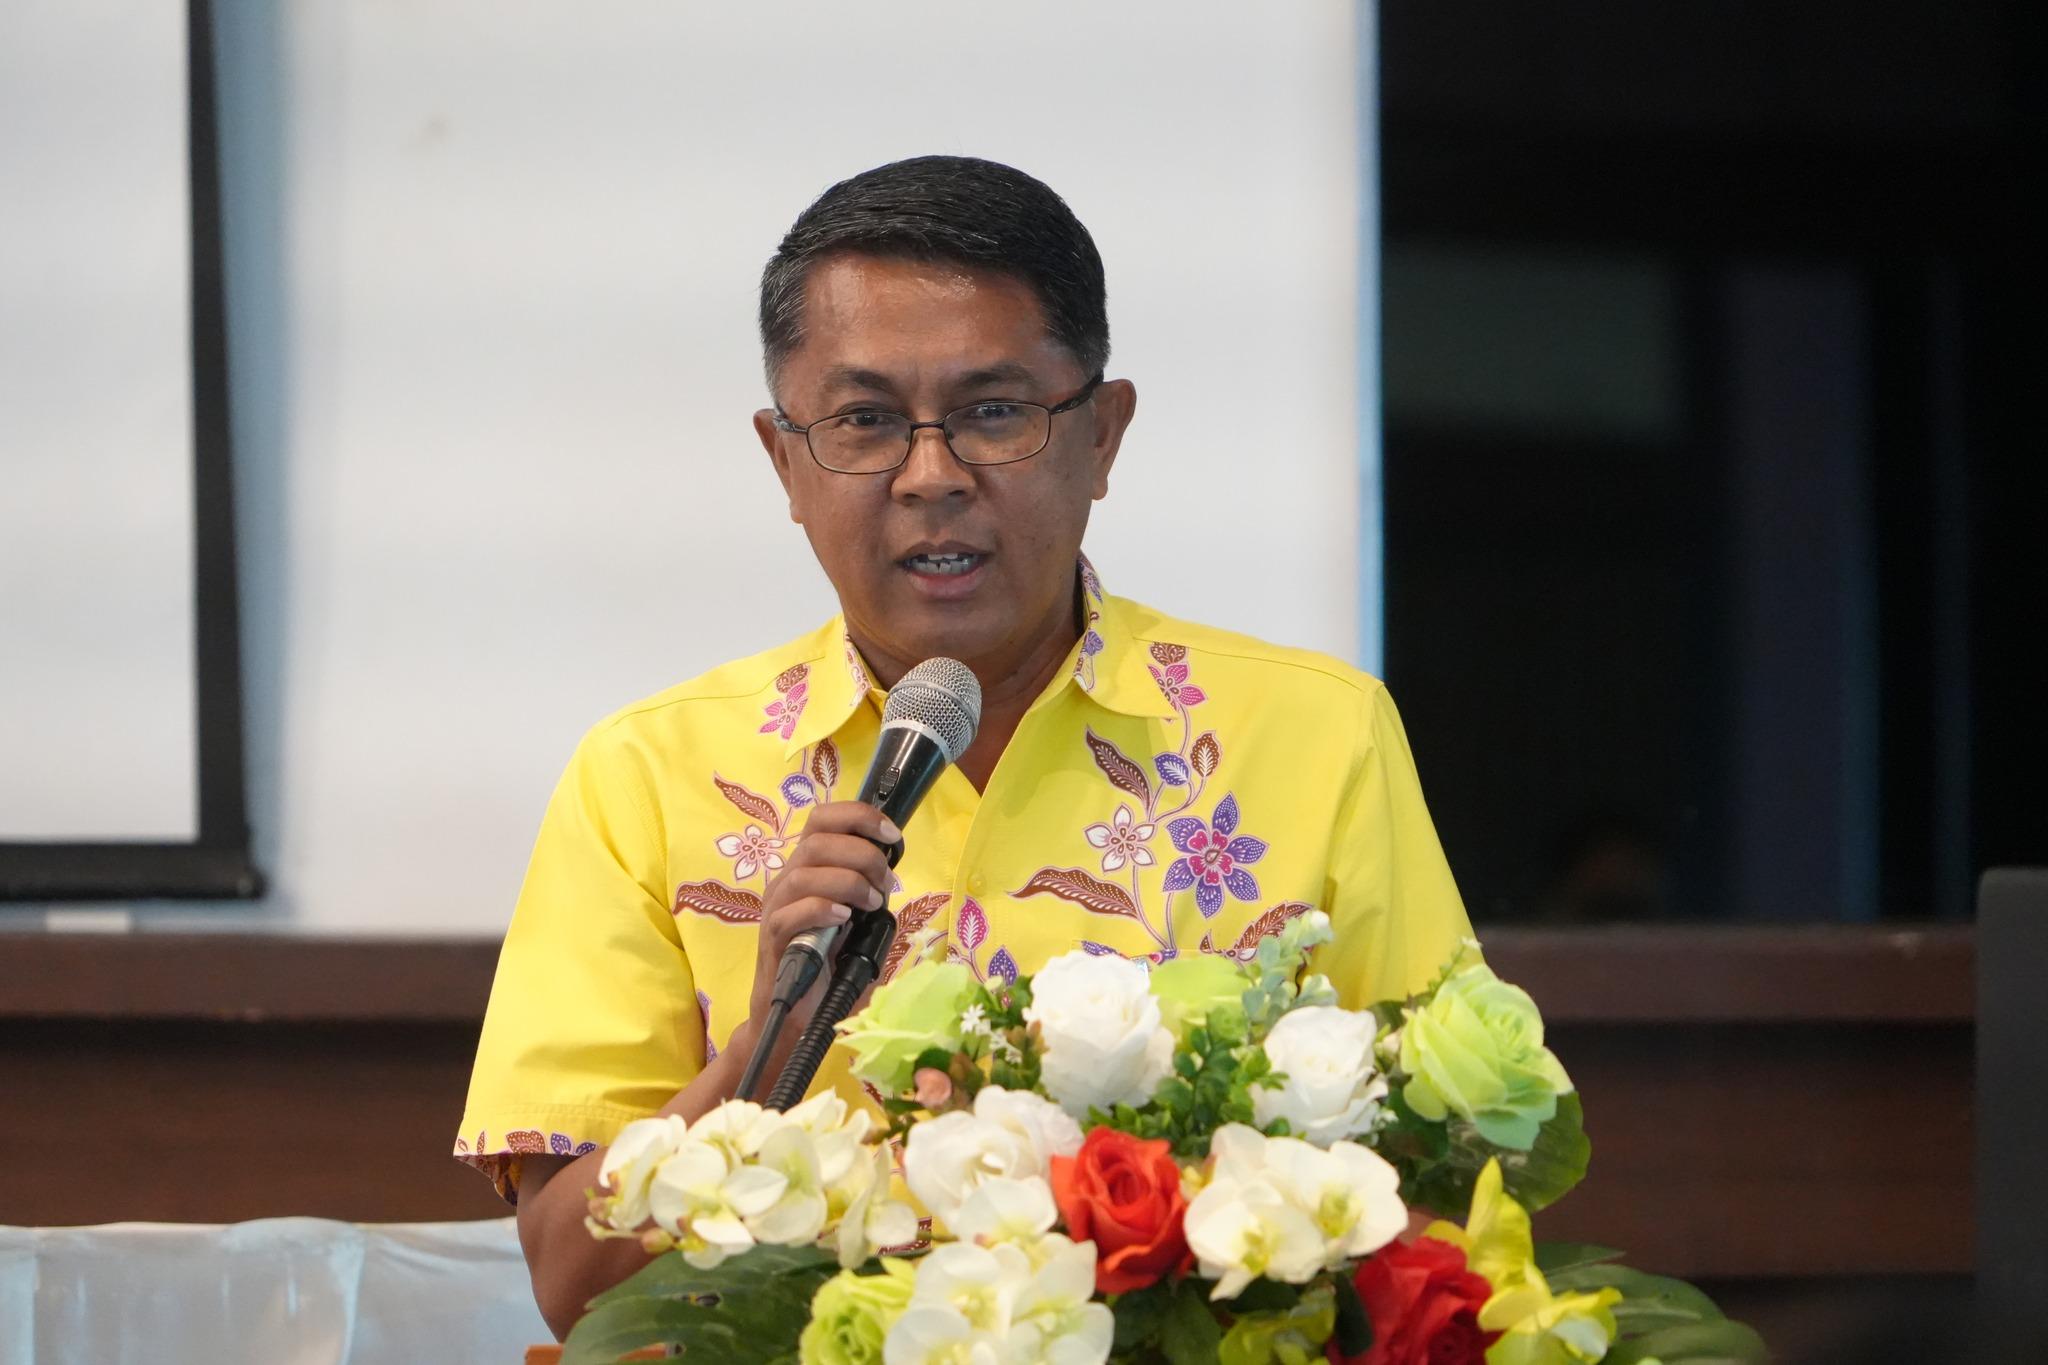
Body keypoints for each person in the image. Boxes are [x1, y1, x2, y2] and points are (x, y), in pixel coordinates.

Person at [456, 155, 1475, 1338]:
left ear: (1101, 436)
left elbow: (1445, 1202)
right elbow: (572, 1286)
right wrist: (766, 1050)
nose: (930, 476)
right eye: (864, 422)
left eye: (993, 413)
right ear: (785, 462)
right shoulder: (641, 778)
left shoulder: (1314, 733)